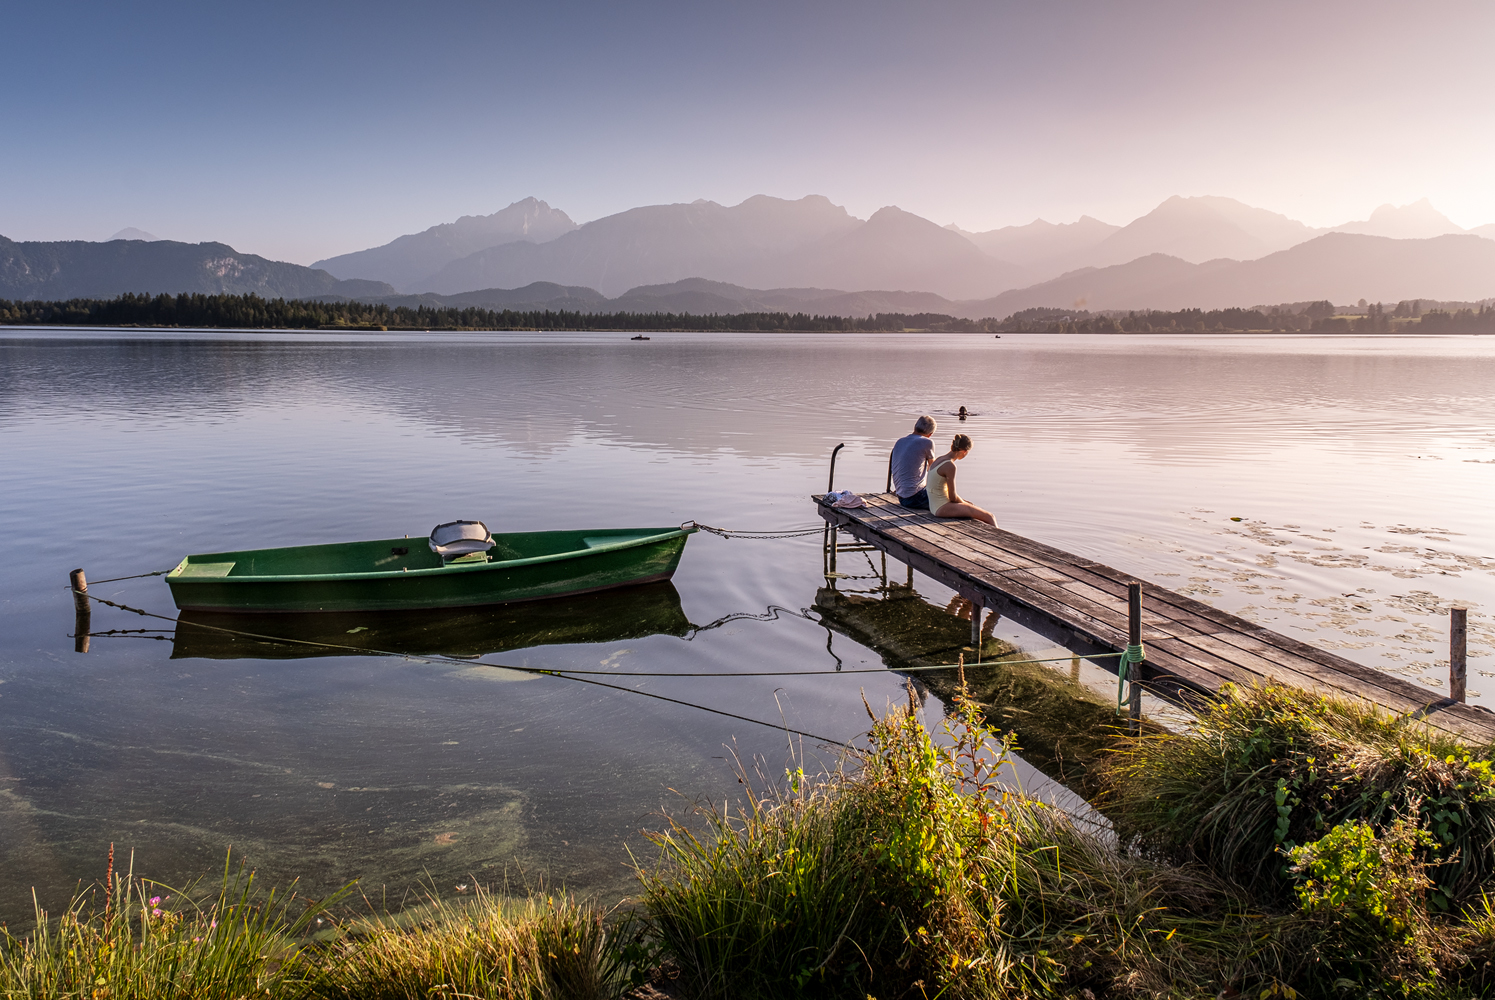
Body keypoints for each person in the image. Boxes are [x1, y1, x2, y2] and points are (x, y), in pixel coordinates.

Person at [927, 433, 996, 525]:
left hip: (934, 506)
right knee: (989, 517)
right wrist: (965, 504)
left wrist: (965, 503)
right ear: (965, 451)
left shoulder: (939, 459)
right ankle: (999, 539)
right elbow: (953, 497)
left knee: (972, 508)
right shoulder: (950, 466)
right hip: (942, 508)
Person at [889, 415, 937, 509]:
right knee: (945, 498)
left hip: (901, 497)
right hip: (915, 498)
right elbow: (934, 469)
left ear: (915, 427)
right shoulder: (927, 442)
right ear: (930, 434)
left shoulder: (900, 441)